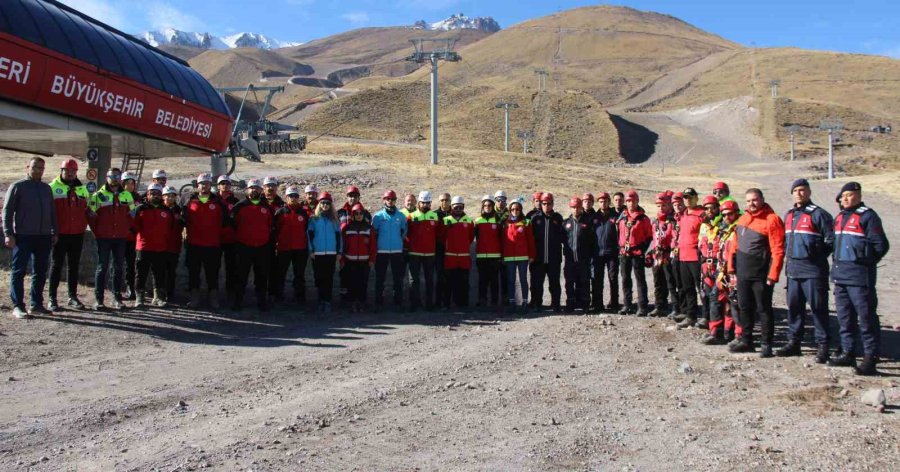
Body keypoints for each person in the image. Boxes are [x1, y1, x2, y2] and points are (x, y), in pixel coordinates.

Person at [828, 182, 890, 375]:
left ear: (859, 195)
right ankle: (848, 352)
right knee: (845, 318)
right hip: (840, 276)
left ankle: (870, 357)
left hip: (859, 278)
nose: (845, 199)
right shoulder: (840, 217)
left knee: (866, 318)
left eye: (849, 194)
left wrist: (863, 261)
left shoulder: (868, 216)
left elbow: (881, 245)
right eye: (843, 196)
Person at [776, 179, 834, 363]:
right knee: (794, 308)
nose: (799, 194)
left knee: (818, 309)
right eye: (795, 191)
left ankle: (823, 346)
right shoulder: (789, 215)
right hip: (793, 270)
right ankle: (794, 342)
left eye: (802, 190)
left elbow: (831, 240)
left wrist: (816, 255)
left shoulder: (819, 214)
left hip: (813, 271)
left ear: (809, 192)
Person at [726, 188, 785, 357]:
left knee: (763, 308)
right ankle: (747, 340)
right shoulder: (743, 218)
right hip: (743, 272)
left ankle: (766, 344)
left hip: (761, 274)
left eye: (754, 200)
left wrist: (773, 275)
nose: (751, 203)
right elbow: (734, 246)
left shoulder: (772, 219)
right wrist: (731, 268)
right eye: (748, 201)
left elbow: (778, 250)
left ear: (762, 199)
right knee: (744, 307)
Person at [3, 157, 57, 318]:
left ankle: (36, 304)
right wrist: (8, 233)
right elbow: (7, 211)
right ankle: (18, 306)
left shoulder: (46, 188)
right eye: (35, 167)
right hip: (23, 236)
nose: (38, 170)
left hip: (44, 236)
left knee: (40, 271)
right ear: (28, 167)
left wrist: (55, 231)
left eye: (41, 168)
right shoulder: (18, 187)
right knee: (19, 271)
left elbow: (52, 211)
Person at [88, 168, 135, 310]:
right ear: (106, 177)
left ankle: (117, 299)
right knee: (102, 267)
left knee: (118, 267)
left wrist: (125, 229)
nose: (114, 179)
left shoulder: (127, 195)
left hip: (120, 237)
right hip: (104, 237)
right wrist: (97, 232)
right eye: (112, 176)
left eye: (117, 176)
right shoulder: (98, 196)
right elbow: (91, 216)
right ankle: (99, 300)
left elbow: (132, 215)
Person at [48, 158, 90, 311]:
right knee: (56, 265)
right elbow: (48, 213)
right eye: (68, 170)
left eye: (74, 171)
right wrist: (51, 231)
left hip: (77, 234)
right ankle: (52, 298)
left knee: (74, 266)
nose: (71, 173)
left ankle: (72, 297)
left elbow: (86, 209)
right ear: (62, 171)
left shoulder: (82, 189)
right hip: (59, 234)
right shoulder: (52, 188)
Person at [183, 173, 227, 308]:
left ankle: (213, 297)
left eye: (207, 184)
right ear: (198, 185)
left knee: (212, 272)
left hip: (212, 244)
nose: (204, 186)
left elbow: (225, 221)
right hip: (194, 243)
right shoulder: (189, 200)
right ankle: (194, 297)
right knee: (193, 272)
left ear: (210, 185)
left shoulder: (218, 202)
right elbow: (182, 219)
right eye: (202, 183)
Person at [230, 179, 274, 313]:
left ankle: (262, 302)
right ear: (247, 190)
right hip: (244, 247)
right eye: (252, 188)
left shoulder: (267, 207)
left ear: (261, 190)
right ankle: (237, 302)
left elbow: (271, 225)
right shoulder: (240, 206)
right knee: (241, 276)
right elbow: (233, 224)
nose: (254, 190)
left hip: (262, 247)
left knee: (262, 276)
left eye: (257, 188)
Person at [701, 199, 741, 344]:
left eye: (730, 214)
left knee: (735, 303)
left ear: (736, 213)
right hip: (722, 272)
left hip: (735, 272)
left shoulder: (740, 229)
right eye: (724, 215)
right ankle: (717, 332)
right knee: (715, 299)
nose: (726, 217)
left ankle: (737, 335)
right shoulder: (723, 230)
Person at [132, 184, 177, 308]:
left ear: (161, 195)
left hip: (161, 247)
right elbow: (133, 225)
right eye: (152, 193)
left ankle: (158, 297)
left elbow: (171, 227)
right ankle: (140, 297)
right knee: (141, 273)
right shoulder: (140, 209)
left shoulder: (167, 211)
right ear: (148, 194)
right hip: (143, 247)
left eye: (157, 193)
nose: (155, 196)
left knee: (159, 273)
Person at [617, 190, 653, 316]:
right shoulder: (622, 217)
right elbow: (618, 233)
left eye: (633, 201)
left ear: (637, 201)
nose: (630, 203)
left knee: (640, 279)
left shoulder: (643, 219)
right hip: (624, 253)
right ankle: (627, 305)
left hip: (637, 253)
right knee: (625, 279)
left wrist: (642, 250)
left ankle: (642, 306)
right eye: (628, 201)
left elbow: (649, 236)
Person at [272, 186, 310, 306]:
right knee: (280, 273)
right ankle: (278, 295)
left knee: (299, 274)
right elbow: (275, 230)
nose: (293, 198)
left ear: (299, 198)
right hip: (284, 248)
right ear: (286, 197)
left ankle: (299, 296)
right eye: (291, 196)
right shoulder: (280, 212)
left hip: (300, 248)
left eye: (295, 196)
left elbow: (306, 229)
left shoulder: (303, 213)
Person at [372, 190, 408, 309]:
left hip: (397, 252)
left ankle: (398, 302)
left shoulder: (401, 216)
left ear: (395, 200)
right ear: (384, 200)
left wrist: (397, 241)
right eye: (388, 199)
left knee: (398, 278)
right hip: (381, 252)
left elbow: (404, 231)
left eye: (392, 199)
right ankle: (378, 302)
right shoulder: (378, 216)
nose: (390, 201)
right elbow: (374, 233)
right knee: (380, 278)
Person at [675, 188, 705, 327]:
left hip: (696, 257)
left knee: (702, 289)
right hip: (683, 256)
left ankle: (707, 316)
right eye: (685, 197)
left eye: (690, 197)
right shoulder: (683, 214)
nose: (687, 200)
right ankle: (691, 315)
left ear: (696, 198)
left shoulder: (702, 214)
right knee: (687, 288)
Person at [308, 192, 342, 313]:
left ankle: (327, 300)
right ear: (319, 204)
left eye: (327, 203)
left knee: (329, 278)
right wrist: (311, 250)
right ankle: (320, 299)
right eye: (323, 203)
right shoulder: (314, 219)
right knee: (319, 277)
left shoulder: (334, 220)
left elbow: (339, 237)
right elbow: (309, 236)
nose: (325, 205)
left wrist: (339, 251)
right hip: (318, 253)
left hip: (331, 253)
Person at [530, 192, 565, 312]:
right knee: (537, 282)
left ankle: (556, 304)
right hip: (538, 257)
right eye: (544, 203)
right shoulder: (535, 218)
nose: (546, 206)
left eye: (549, 203)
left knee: (554, 283)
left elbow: (564, 237)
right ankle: (537, 304)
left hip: (553, 258)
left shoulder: (558, 218)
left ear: (552, 204)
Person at [337, 185, 372, 301]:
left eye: (355, 196)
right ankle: (344, 300)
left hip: (360, 251)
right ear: (347, 197)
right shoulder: (340, 213)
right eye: (350, 196)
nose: (352, 198)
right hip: (344, 251)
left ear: (359, 197)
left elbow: (369, 233)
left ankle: (358, 301)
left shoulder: (366, 214)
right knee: (344, 277)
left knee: (359, 279)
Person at [407, 191, 440, 311]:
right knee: (413, 280)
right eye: (423, 203)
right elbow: (406, 234)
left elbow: (438, 234)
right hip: (414, 253)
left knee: (429, 280)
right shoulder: (411, 216)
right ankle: (414, 304)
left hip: (430, 253)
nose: (425, 205)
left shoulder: (435, 216)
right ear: (419, 203)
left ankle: (429, 304)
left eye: (427, 203)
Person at [441, 196, 475, 310]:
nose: (458, 210)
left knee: (464, 282)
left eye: (461, 207)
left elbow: (471, 237)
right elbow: (441, 237)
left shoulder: (469, 220)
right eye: (456, 207)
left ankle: (463, 304)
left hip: (464, 257)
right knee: (448, 282)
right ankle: (446, 304)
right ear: (452, 207)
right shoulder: (445, 220)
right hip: (450, 256)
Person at [341, 203, 377, 313]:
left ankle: (362, 302)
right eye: (356, 214)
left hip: (364, 261)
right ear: (353, 215)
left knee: (363, 283)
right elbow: (343, 245)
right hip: (350, 261)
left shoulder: (369, 228)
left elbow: (373, 245)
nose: (359, 215)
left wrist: (372, 259)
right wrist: (342, 259)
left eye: (361, 213)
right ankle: (352, 302)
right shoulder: (347, 228)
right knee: (351, 283)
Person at [502, 199, 535, 313]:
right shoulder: (506, 223)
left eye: (517, 209)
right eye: (512, 209)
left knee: (523, 280)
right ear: (509, 210)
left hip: (522, 256)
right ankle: (512, 302)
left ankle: (524, 302)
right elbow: (503, 240)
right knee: (511, 280)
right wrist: (503, 256)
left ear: (521, 210)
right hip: (509, 256)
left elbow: (530, 240)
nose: (515, 211)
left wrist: (531, 255)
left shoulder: (526, 222)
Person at [648, 193, 677, 316]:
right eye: (659, 206)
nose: (661, 208)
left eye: (664, 205)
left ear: (669, 205)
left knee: (671, 282)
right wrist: (651, 252)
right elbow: (653, 239)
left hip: (668, 255)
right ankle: (659, 306)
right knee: (658, 282)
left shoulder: (673, 221)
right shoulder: (655, 222)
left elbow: (675, 238)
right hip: (657, 256)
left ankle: (676, 308)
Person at [563, 196, 594, 312]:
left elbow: (592, 241)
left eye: (578, 207)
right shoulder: (565, 223)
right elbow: (562, 240)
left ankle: (585, 304)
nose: (575, 210)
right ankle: (570, 303)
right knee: (569, 282)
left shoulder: (587, 222)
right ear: (570, 208)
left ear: (581, 208)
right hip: (570, 259)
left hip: (583, 259)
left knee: (584, 281)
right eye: (573, 207)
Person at [590, 192, 619, 313]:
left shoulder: (615, 216)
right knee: (597, 279)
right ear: (598, 203)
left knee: (613, 278)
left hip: (612, 253)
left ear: (609, 202)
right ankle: (598, 304)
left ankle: (614, 303)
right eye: (601, 201)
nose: (603, 203)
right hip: (598, 253)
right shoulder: (594, 217)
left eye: (605, 201)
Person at [696, 195, 721, 329]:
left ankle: (719, 323)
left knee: (718, 295)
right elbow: (701, 244)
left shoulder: (723, 224)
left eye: (713, 208)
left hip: (719, 264)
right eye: (706, 208)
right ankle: (707, 318)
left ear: (718, 208)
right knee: (705, 292)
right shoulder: (703, 226)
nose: (709, 211)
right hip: (706, 263)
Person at [474, 195, 503, 311]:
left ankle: (495, 302)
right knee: (482, 280)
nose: (487, 207)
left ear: (493, 206)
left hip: (495, 256)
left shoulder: (498, 220)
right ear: (482, 206)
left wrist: (501, 255)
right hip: (481, 255)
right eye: (485, 205)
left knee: (494, 280)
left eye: (489, 205)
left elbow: (501, 238)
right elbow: (474, 237)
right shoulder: (477, 221)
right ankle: (482, 301)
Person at [216, 175, 240, 298]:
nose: (225, 185)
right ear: (218, 186)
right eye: (222, 183)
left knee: (231, 265)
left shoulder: (235, 201)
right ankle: (214, 290)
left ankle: (231, 289)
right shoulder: (213, 200)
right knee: (214, 265)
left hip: (231, 238)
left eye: (227, 183)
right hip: (216, 239)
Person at [161, 186, 184, 305]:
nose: (170, 198)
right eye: (168, 196)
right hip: (160, 245)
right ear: (163, 196)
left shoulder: (179, 210)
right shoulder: (159, 209)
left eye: (172, 196)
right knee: (160, 271)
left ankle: (170, 294)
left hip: (174, 245)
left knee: (171, 272)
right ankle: (159, 294)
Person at [121, 171, 140, 300]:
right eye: (127, 183)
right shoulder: (118, 197)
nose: (130, 186)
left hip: (133, 237)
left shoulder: (138, 198)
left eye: (132, 183)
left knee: (131, 264)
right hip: (120, 235)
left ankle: (130, 288)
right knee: (116, 264)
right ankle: (116, 288)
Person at [435, 192, 452, 308]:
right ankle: (438, 302)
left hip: (451, 251)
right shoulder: (434, 214)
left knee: (449, 277)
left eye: (446, 200)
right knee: (439, 277)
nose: (444, 202)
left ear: (450, 201)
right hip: (438, 250)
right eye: (442, 200)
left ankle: (447, 302)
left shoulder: (455, 213)